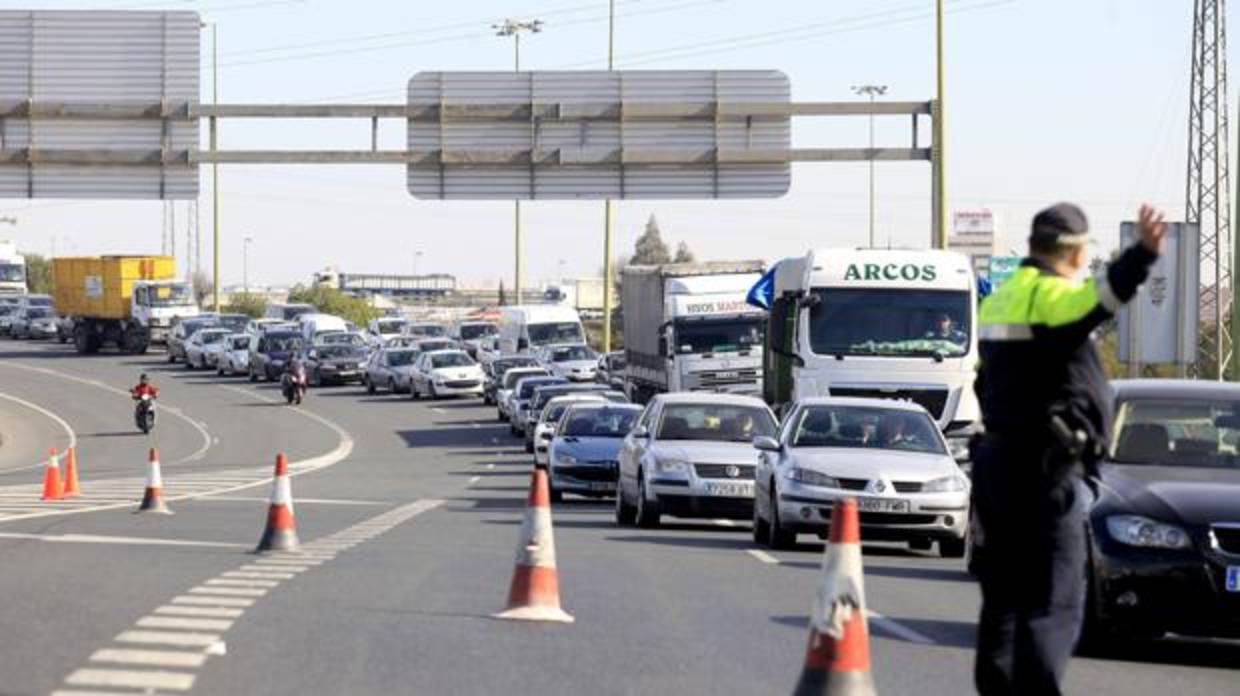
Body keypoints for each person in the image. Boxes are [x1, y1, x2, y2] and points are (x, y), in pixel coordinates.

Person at [971, 203, 1166, 695]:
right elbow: (1101, 298)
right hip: (1046, 468)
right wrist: (1141, 254)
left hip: (998, 463)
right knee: (1052, 600)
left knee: (1005, 597)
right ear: (1072, 251)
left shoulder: (1001, 299)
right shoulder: (1050, 296)